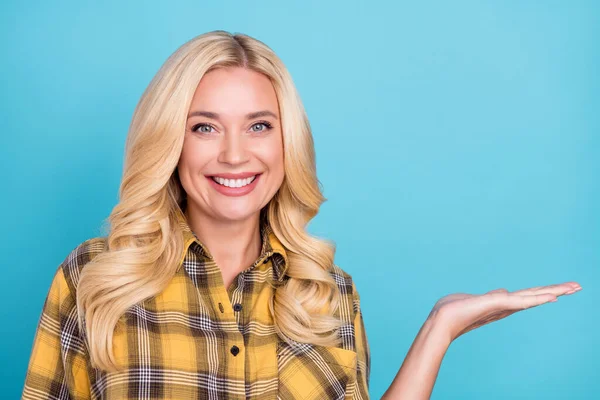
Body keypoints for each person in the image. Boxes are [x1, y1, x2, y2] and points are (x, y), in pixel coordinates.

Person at [22, 30, 582, 400]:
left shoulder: (329, 293)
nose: (235, 154)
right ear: (170, 141)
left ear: (287, 142)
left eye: (259, 125)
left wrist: (440, 330)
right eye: (205, 126)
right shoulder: (94, 280)